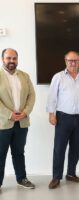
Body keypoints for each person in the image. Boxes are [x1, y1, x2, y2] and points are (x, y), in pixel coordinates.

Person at [47, 51, 79, 189]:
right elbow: (52, 96)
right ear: (65, 61)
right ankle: (56, 177)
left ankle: (71, 173)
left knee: (76, 148)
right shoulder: (58, 77)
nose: (73, 63)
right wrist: (51, 114)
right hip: (63, 118)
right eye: (70, 60)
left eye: (75, 60)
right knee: (59, 148)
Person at [0, 48, 35, 190]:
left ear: (17, 60)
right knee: (0, 154)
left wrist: (25, 112)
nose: (11, 61)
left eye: (14, 58)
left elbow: (31, 96)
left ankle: (21, 178)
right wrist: (9, 114)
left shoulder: (25, 76)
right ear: (3, 59)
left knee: (19, 153)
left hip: (22, 122)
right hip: (3, 123)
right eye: (8, 58)